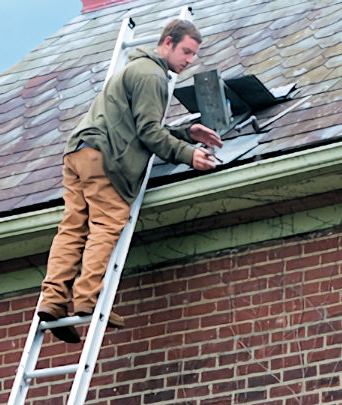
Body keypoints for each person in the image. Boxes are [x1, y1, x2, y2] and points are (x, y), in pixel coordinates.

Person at [38, 18, 222, 343]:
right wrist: (188, 154)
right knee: (107, 223)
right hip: (107, 158)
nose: (190, 60)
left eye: (194, 55)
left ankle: (53, 301)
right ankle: (86, 299)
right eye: (186, 52)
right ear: (167, 43)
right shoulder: (153, 76)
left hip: (78, 151)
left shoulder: (133, 70)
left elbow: (136, 127)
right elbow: (149, 133)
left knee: (73, 227)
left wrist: (185, 132)